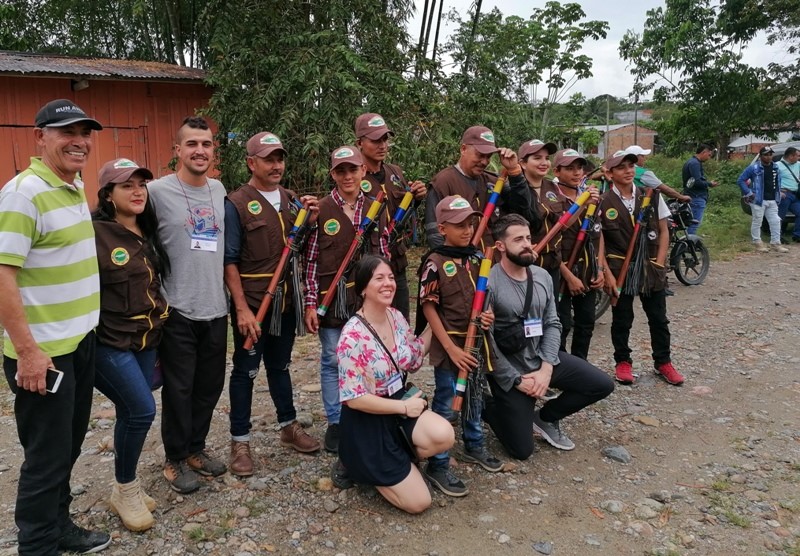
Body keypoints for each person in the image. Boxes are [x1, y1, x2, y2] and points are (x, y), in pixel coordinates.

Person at [0, 99, 110, 554]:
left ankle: (59, 525)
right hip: (44, 353)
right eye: (66, 132)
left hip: (79, 342)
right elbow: (2, 272)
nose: (78, 141)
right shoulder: (24, 193)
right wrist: (28, 351)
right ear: (40, 136)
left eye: (84, 132)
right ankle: (38, 544)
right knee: (46, 457)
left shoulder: (69, 185)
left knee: (68, 445)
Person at [224, 132, 321, 477]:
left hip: (286, 303)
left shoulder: (291, 199)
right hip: (254, 305)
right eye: (268, 158)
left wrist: (309, 219)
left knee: (279, 367)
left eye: (279, 158)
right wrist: (241, 308)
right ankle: (240, 441)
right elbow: (229, 261)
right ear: (251, 163)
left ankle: (288, 426)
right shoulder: (236, 203)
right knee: (245, 371)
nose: (276, 164)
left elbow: (302, 244)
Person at [483, 214, 614, 459]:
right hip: (511, 371)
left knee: (601, 384)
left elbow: (553, 323)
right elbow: (486, 342)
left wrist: (546, 369)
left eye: (529, 238)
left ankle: (545, 418)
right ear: (500, 246)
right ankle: (486, 405)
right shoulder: (488, 283)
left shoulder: (541, 276)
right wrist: (516, 380)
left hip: (541, 360)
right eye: (518, 239)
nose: (527, 244)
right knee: (522, 450)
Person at [333, 255, 453, 513]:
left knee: (445, 435)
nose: (388, 283)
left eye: (390, 277)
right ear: (363, 287)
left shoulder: (396, 317)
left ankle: (397, 459)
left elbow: (414, 355)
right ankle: (356, 463)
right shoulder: (352, 336)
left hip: (399, 402)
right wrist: (403, 409)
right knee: (420, 503)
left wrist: (437, 317)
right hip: (367, 417)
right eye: (379, 278)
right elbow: (353, 398)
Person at [147, 116, 229, 493]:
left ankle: (196, 449)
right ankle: (174, 459)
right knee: (179, 389)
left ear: (214, 150)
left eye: (206, 144)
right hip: (177, 307)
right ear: (177, 150)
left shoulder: (219, 189)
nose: (200, 151)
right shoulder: (155, 192)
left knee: (209, 386)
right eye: (192, 144)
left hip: (216, 307)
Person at [92, 158, 170, 532]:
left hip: (146, 340)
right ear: (108, 195)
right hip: (109, 342)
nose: (138, 191)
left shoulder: (148, 231)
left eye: (141, 184)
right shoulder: (94, 234)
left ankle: (125, 486)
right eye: (127, 186)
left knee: (131, 412)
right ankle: (126, 488)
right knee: (140, 411)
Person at [304, 146, 389, 454]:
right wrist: (311, 303)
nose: (348, 175)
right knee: (332, 360)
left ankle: (368, 413)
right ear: (333, 175)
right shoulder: (322, 209)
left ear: (363, 171)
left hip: (365, 301)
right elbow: (311, 261)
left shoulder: (376, 206)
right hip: (331, 299)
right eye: (341, 170)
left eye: (353, 169)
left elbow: (383, 253)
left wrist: (383, 298)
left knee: (369, 359)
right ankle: (336, 421)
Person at [417, 195, 503, 497]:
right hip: (450, 346)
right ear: (442, 228)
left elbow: (484, 299)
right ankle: (438, 463)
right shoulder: (434, 262)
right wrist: (451, 349)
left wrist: (488, 315)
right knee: (446, 401)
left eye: (470, 223)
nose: (467, 230)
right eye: (459, 225)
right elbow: (428, 308)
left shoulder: (478, 258)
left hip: (476, 344)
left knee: (475, 397)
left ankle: (474, 444)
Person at [599, 151, 685, 386]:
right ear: (610, 173)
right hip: (620, 267)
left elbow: (664, 229)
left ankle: (663, 362)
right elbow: (600, 242)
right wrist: (605, 272)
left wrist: (659, 260)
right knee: (622, 318)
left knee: (658, 317)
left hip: (651, 265)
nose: (628, 171)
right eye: (621, 167)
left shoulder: (651, 195)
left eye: (631, 166)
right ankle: (623, 362)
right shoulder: (603, 201)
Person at [355, 113, 427, 320]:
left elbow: (403, 212)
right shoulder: (353, 176)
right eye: (376, 140)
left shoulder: (394, 172)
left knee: (400, 322)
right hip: (369, 264)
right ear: (360, 143)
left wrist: (417, 197)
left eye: (385, 139)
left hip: (397, 262)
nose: (383, 145)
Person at [425, 126, 534, 251]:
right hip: (463, 262)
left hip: (494, 260)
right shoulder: (444, 181)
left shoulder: (495, 181)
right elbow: (434, 232)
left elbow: (522, 209)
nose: (484, 162)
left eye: (488, 157)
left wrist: (515, 173)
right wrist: (452, 260)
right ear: (463, 149)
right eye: (480, 155)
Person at [551, 149, 604, 360]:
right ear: (557, 170)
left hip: (587, 269)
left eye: (579, 168)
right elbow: (551, 239)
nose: (576, 173)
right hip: (561, 270)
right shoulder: (551, 195)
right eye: (570, 168)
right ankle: (559, 367)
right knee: (561, 324)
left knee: (586, 322)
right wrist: (568, 276)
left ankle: (581, 365)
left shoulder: (590, 195)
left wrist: (600, 268)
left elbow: (599, 235)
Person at [518, 139, 561, 289]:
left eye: (547, 158)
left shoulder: (554, 187)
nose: (544, 162)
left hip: (553, 264)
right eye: (537, 158)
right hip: (527, 263)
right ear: (523, 163)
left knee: (551, 309)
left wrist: (583, 205)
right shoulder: (515, 190)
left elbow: (563, 224)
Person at [737, 146, 787, 253]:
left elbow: (777, 181)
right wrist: (749, 193)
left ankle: (775, 243)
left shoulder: (776, 167)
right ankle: (757, 242)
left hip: (772, 199)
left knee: (776, 221)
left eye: (770, 154)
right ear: (760, 156)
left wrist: (779, 191)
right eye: (766, 155)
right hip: (758, 199)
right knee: (757, 221)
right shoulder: (754, 168)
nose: (769, 157)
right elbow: (741, 180)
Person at [624, 145, 691, 202]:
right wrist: (681, 197)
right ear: (636, 158)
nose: (644, 158)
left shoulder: (621, 171)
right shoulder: (643, 173)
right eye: (642, 156)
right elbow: (664, 189)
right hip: (643, 207)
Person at [681, 144, 719, 234]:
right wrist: (710, 184)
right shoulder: (695, 163)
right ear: (704, 152)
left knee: (692, 223)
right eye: (709, 155)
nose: (709, 158)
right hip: (696, 197)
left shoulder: (692, 162)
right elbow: (697, 182)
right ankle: (689, 245)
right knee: (694, 223)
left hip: (693, 196)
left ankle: (688, 243)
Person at [776, 146, 800, 243]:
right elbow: (772, 180)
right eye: (798, 156)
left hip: (794, 195)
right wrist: (778, 192)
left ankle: (797, 235)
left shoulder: (798, 164)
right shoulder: (777, 166)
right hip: (784, 195)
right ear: (791, 156)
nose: (799, 158)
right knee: (780, 217)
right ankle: (777, 237)